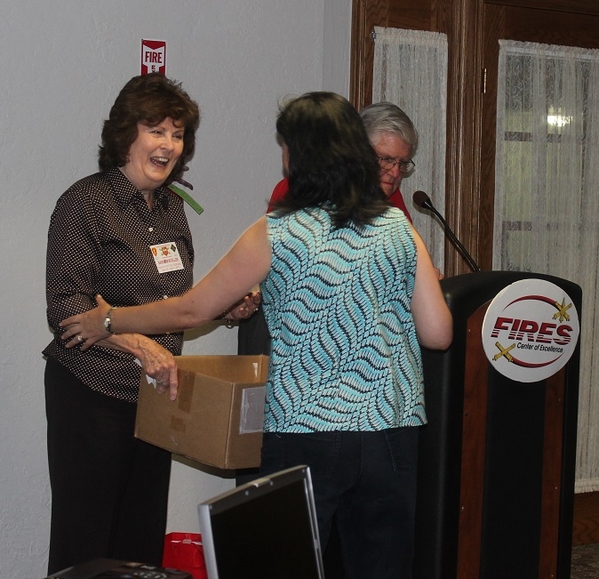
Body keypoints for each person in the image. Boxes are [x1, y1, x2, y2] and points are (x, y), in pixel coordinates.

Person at [60, 91, 453, 579]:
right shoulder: (397, 225)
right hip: (391, 435)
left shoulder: (278, 231)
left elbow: (191, 308)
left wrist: (110, 320)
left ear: (299, 154)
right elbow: (438, 333)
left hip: (305, 431)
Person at [43, 73, 256, 575]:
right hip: (92, 393)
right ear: (125, 135)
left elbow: (171, 299)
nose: (168, 145)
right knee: (88, 546)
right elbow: (66, 312)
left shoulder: (171, 209)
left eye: (177, 134)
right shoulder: (84, 203)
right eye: (155, 130)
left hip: (155, 399)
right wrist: (140, 346)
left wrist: (222, 308)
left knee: (139, 546)